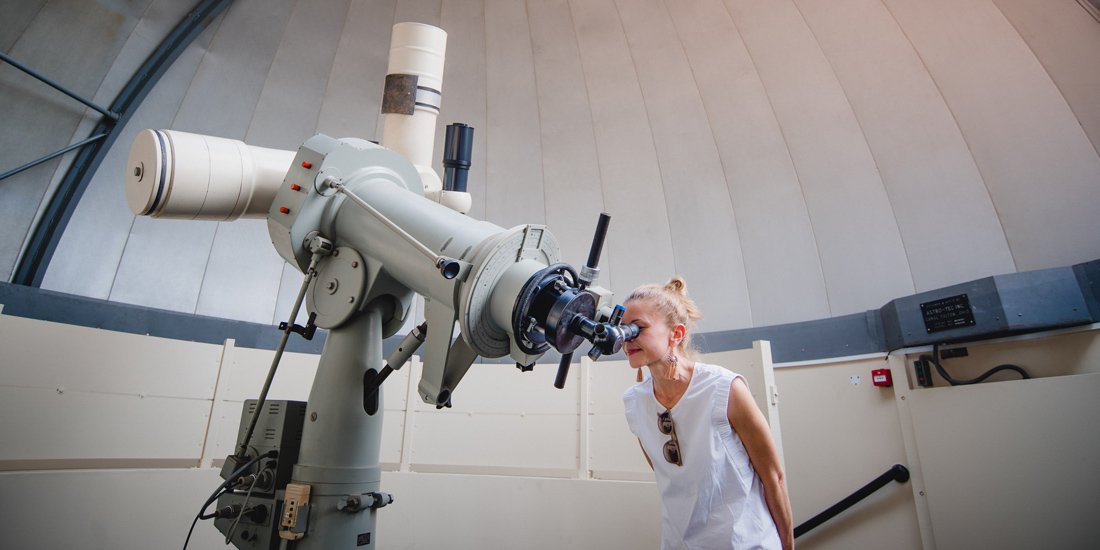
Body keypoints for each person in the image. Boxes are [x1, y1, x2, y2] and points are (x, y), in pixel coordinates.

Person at [621, 276, 794, 550]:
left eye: (637, 328)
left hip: (746, 543)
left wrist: (787, 544)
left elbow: (774, 477)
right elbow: (668, 475)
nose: (625, 338)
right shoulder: (634, 402)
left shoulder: (725, 389)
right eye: (622, 329)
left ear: (676, 334)